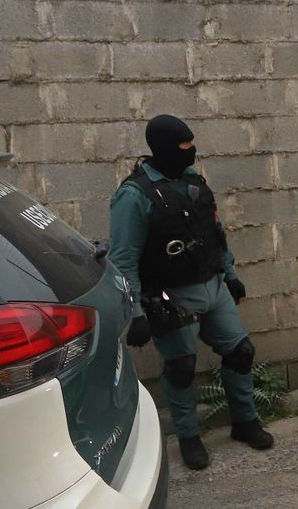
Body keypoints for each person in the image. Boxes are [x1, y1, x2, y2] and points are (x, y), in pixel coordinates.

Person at [109, 114, 274, 470]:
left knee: (241, 351)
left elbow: (216, 233)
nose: (192, 150)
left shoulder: (194, 183)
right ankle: (189, 438)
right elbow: (123, 259)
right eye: (185, 145)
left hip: (212, 286)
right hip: (172, 297)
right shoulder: (134, 196)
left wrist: (231, 275)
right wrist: (134, 311)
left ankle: (245, 422)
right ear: (166, 147)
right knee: (182, 368)